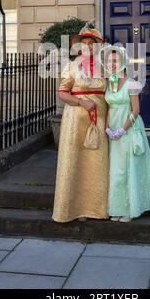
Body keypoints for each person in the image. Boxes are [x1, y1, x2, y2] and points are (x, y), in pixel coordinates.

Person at [52, 25, 109, 223]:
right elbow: (62, 93)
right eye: (83, 44)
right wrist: (81, 101)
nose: (87, 47)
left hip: (100, 120)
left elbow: (113, 92)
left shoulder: (105, 67)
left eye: (91, 44)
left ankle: (97, 208)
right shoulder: (72, 66)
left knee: (97, 162)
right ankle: (75, 209)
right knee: (76, 162)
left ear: (97, 47)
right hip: (76, 121)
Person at [103, 46, 150, 222]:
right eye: (108, 61)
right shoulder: (109, 82)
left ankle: (130, 208)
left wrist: (123, 129)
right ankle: (117, 207)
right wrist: (108, 127)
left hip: (128, 127)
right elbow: (107, 107)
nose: (111, 64)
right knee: (116, 170)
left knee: (128, 167)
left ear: (122, 63)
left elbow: (136, 110)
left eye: (115, 61)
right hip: (112, 129)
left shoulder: (131, 83)